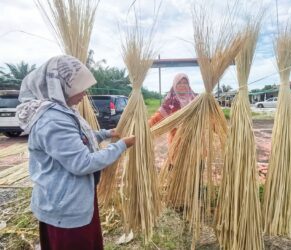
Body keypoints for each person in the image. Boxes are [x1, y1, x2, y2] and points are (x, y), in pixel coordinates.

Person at [16, 55, 135, 250]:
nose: (85, 93)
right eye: (80, 87)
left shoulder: (61, 110)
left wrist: (104, 134)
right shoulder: (53, 119)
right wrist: (121, 146)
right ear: (60, 86)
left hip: (74, 198)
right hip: (66, 205)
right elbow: (83, 163)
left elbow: (78, 141)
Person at [148, 73, 196, 144]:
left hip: (195, 140)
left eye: (185, 83)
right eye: (179, 83)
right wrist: (146, 127)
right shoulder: (171, 103)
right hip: (176, 141)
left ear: (188, 85)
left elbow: (208, 116)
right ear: (174, 85)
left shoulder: (195, 100)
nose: (182, 85)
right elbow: (157, 117)